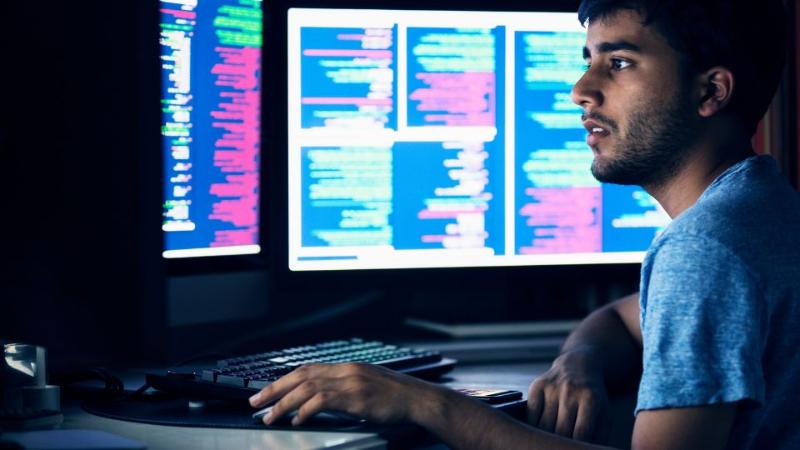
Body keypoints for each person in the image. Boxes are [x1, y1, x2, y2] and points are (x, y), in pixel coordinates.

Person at [250, 0, 800, 448]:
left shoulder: (701, 248)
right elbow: (621, 316)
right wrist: (577, 362)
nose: (580, 90)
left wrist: (422, 402)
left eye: (620, 62)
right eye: (588, 60)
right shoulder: (763, 205)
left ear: (710, 92)